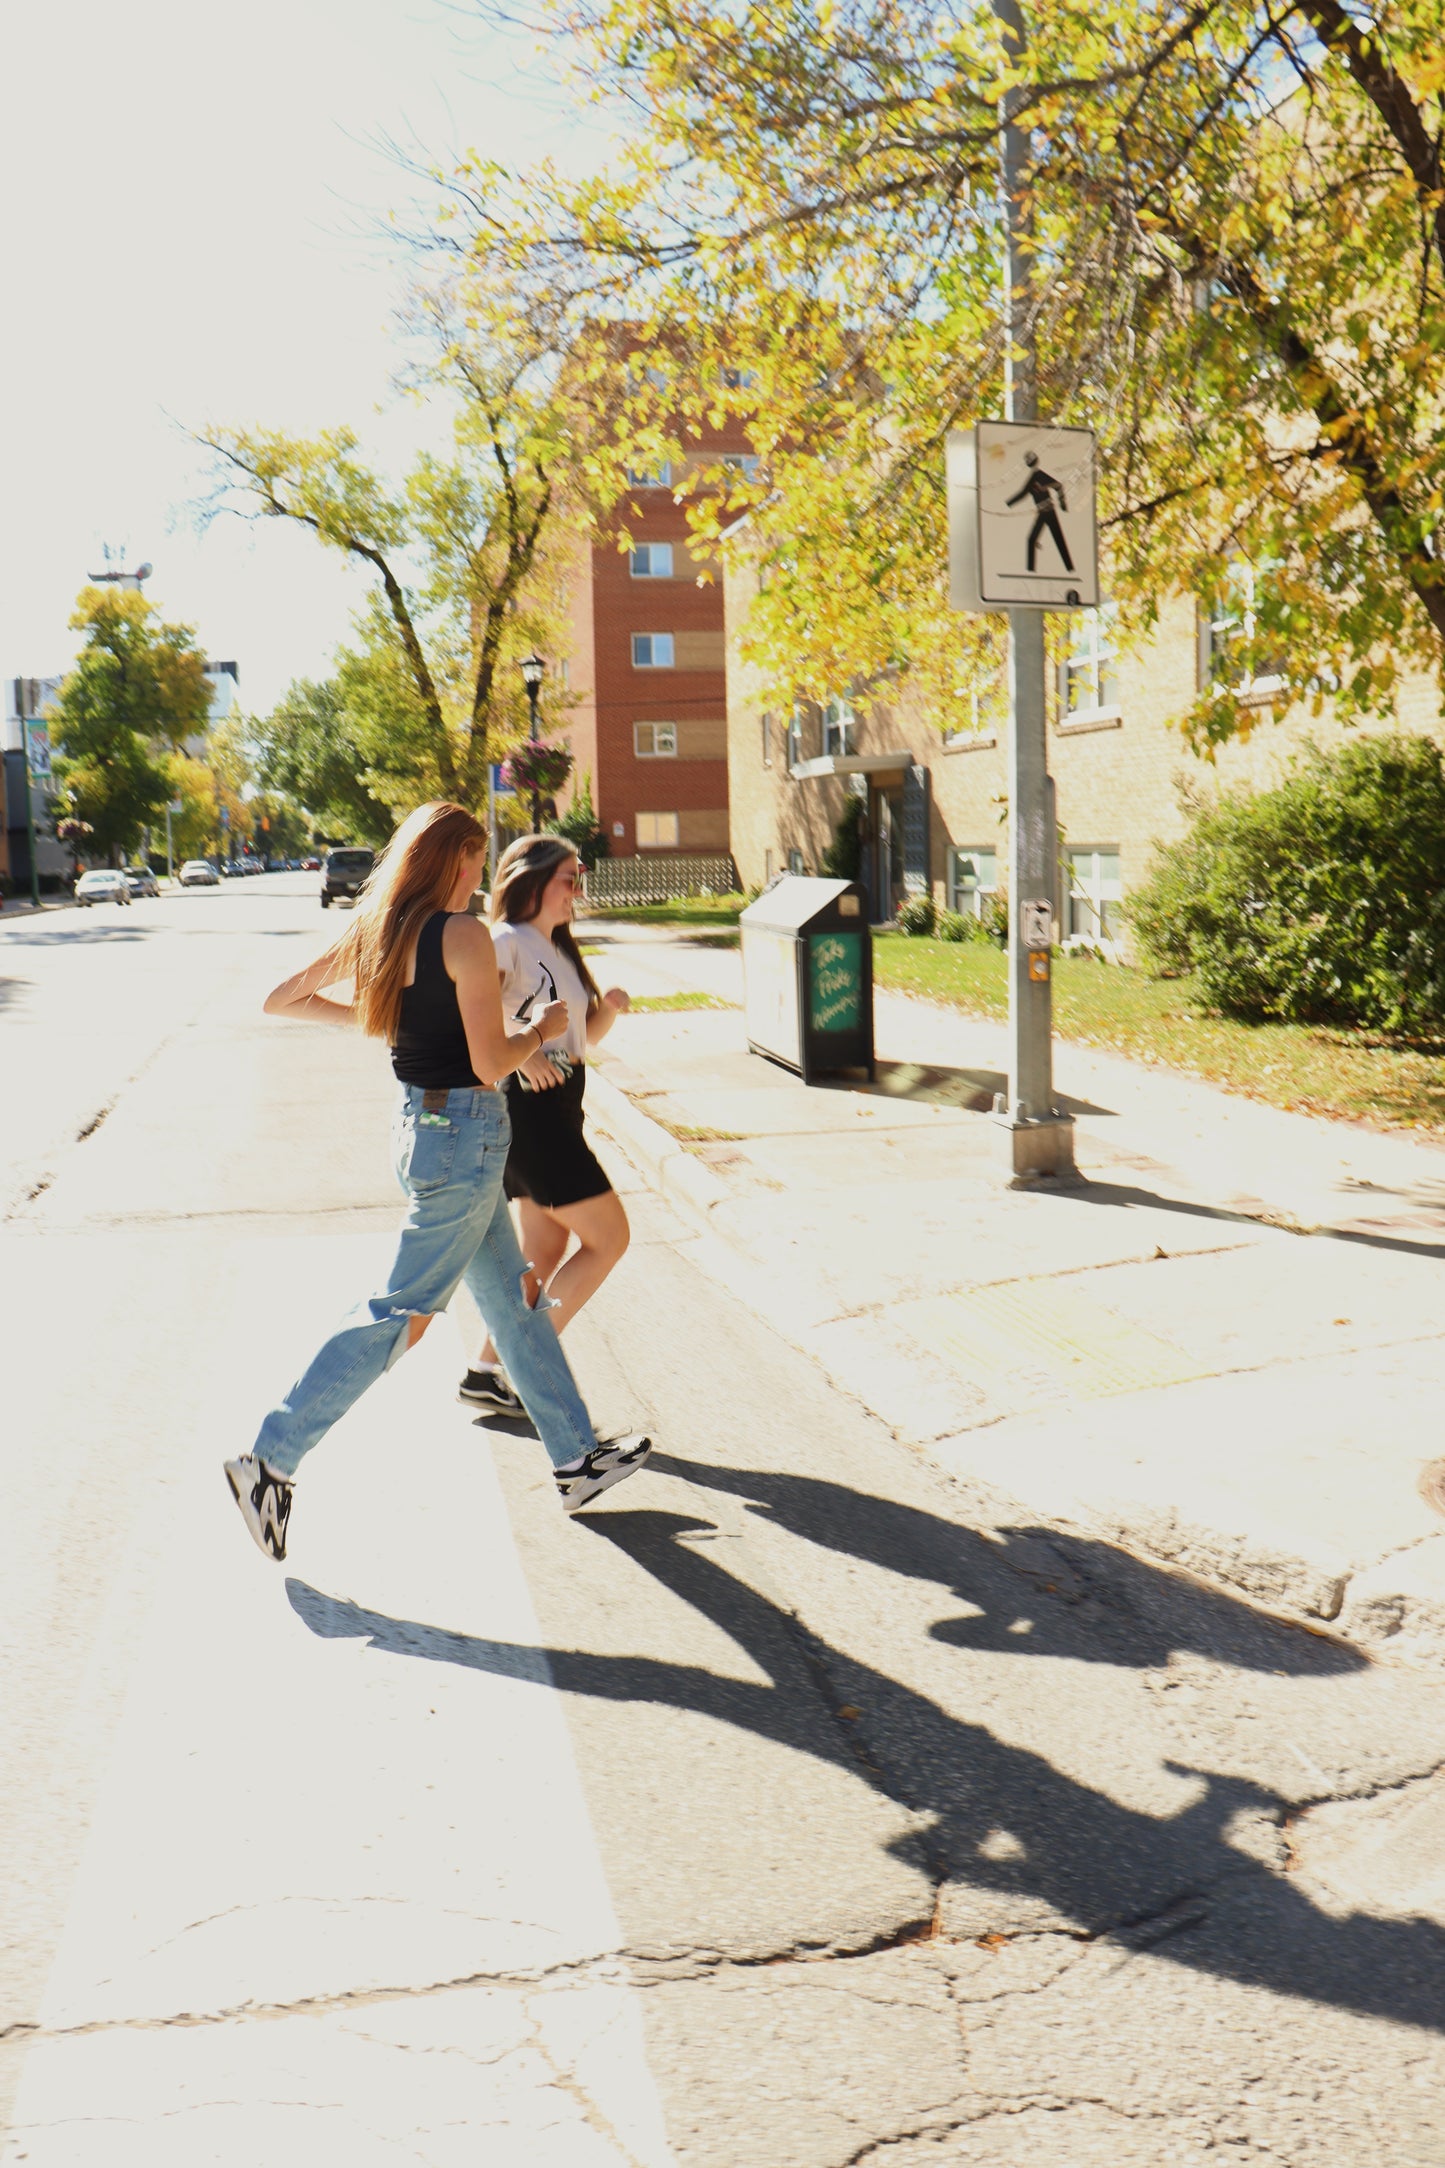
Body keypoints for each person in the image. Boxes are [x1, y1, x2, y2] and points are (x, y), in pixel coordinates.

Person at [224, 802, 652, 1562]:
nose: (481, 874)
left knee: (513, 1302)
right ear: (455, 859)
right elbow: (492, 1062)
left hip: (424, 1132)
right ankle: (270, 1458)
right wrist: (543, 1031)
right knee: (403, 1314)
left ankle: (575, 1458)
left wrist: (381, 1022)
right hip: (464, 1138)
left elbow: (280, 998)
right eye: (476, 858)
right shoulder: (462, 935)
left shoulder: (380, 928)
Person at [457, 835, 634, 1417]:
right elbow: (467, 1015)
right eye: (569, 876)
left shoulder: (557, 946)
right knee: (610, 1238)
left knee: (544, 1248)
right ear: (531, 880)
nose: (577, 888)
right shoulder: (505, 940)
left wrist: (604, 1010)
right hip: (530, 1112)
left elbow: (581, 1038)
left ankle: (486, 1371)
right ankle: (523, 1361)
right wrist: (523, 1048)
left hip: (562, 1107)